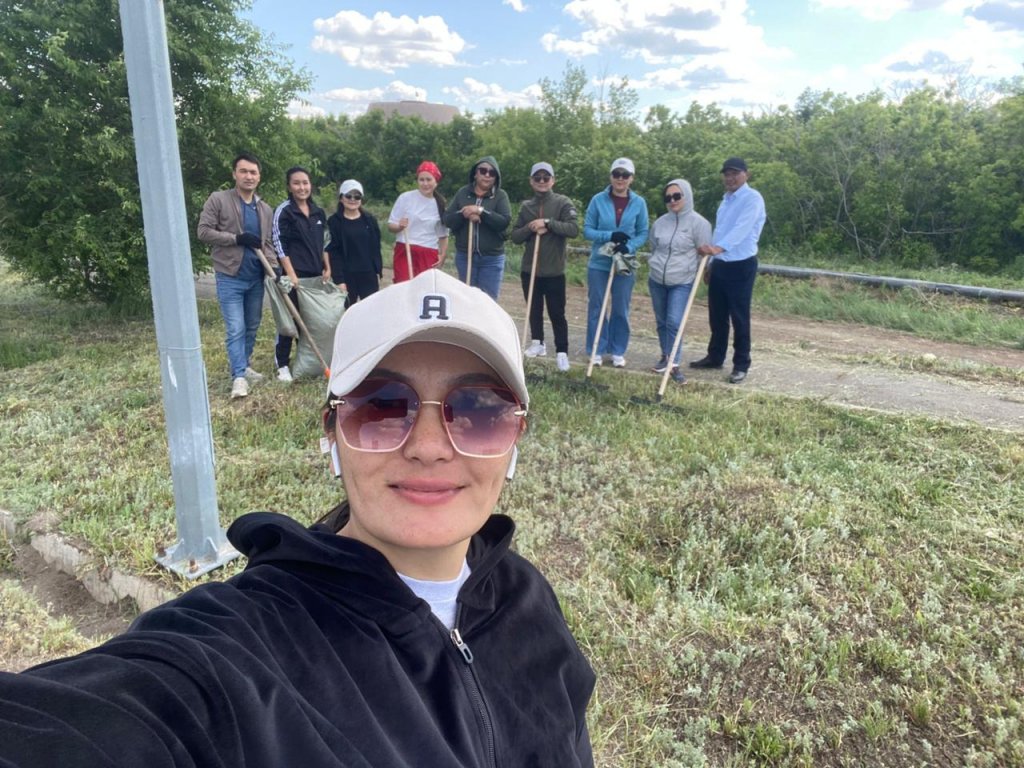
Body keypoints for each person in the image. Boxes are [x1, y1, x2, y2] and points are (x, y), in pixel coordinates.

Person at [0, 269, 596, 767]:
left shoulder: (525, 597)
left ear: (515, 442)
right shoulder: (243, 647)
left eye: (479, 410)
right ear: (332, 435)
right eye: (382, 407)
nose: (428, 447)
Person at [197, 152, 281, 399]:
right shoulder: (219, 200)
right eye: (243, 171)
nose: (248, 176)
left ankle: (244, 365)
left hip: (255, 278)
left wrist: (274, 267)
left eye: (253, 172)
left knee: (252, 325)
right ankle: (239, 378)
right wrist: (236, 238)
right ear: (234, 174)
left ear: (259, 177)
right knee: (236, 327)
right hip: (230, 276)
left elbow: (266, 243)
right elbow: (203, 232)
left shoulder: (264, 209)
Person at [692, 157, 766, 384]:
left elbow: (741, 230)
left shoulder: (752, 198)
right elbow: (720, 231)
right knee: (717, 315)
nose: (730, 178)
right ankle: (715, 357)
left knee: (739, 317)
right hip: (720, 263)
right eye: (727, 174)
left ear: (746, 174)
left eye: (735, 173)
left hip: (741, 264)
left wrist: (718, 249)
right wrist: (711, 263)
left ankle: (741, 364)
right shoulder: (725, 200)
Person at [510, 161, 579, 372]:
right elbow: (515, 236)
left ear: (552, 181)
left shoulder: (563, 202)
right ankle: (537, 342)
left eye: (546, 178)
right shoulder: (526, 207)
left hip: (554, 271)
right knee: (534, 309)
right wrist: (531, 227)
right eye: (537, 178)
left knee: (557, 313)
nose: (542, 181)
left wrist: (548, 223)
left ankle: (562, 352)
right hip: (530, 269)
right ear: (531, 181)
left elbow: (573, 229)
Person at [583, 157, 649, 368]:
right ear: (611, 176)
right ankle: (596, 348)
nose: (620, 178)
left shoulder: (639, 203)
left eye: (625, 175)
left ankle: (617, 349)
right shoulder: (597, 200)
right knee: (597, 306)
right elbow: (588, 230)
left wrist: (630, 246)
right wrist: (610, 235)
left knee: (621, 307)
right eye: (616, 174)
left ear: (631, 178)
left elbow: (643, 232)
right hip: (599, 262)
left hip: (625, 262)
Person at [647, 178, 712, 384]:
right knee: (661, 321)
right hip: (657, 279)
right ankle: (665, 356)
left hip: (682, 281)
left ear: (687, 195)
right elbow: (653, 247)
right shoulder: (659, 223)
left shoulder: (700, 223)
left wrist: (703, 272)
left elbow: (705, 254)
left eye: (677, 196)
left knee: (674, 321)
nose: (672, 201)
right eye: (668, 198)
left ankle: (673, 363)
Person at [270, 166, 330, 383]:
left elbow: (325, 242)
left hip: (315, 276)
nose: (301, 187)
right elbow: (279, 244)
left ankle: (307, 362)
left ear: (310, 185)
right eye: (296, 183)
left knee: (312, 322)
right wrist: (291, 274)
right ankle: (282, 364)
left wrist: (327, 267)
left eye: (305, 183)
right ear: (289, 186)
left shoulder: (318, 212)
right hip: (294, 277)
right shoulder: (284, 211)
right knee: (290, 321)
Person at [443, 156, 511, 300]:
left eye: (492, 173)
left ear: (496, 177)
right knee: (467, 299)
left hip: (491, 258)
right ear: (475, 173)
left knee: (488, 301)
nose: (487, 175)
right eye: (483, 171)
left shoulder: (500, 196)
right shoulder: (463, 193)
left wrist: (481, 211)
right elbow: (447, 219)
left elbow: (504, 222)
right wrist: (464, 213)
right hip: (465, 256)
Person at [387, 161, 449, 282]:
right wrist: (399, 226)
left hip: (428, 252)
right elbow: (390, 225)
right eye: (421, 180)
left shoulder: (440, 204)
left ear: (436, 181)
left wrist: (443, 254)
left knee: (424, 288)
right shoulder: (405, 198)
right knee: (403, 285)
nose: (425, 183)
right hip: (405, 248)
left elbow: (443, 235)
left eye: (429, 179)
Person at [326, 179, 382, 308]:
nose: (353, 199)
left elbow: (375, 247)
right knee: (345, 311)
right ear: (341, 198)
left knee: (370, 310)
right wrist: (339, 279)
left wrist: (377, 271)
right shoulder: (334, 222)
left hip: (368, 274)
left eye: (357, 196)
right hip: (346, 275)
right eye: (348, 196)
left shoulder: (370, 220)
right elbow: (332, 251)